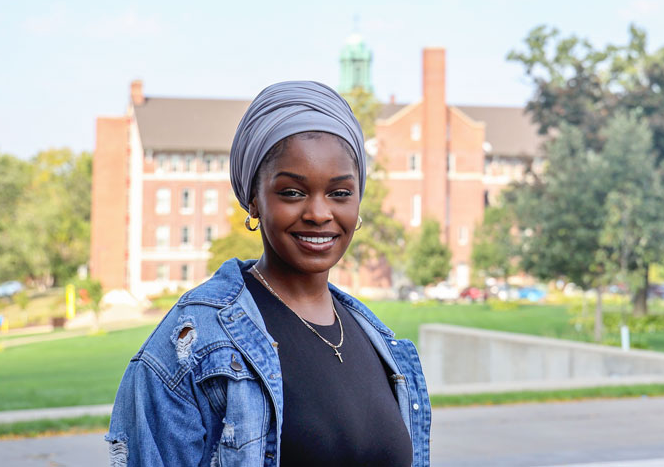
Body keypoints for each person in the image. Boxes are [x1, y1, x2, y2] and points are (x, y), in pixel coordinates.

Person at [106, 81, 431, 467]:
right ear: (254, 199)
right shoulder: (193, 345)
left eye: (340, 193)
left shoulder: (380, 342)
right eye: (292, 192)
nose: (319, 213)